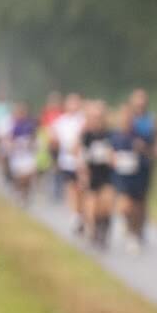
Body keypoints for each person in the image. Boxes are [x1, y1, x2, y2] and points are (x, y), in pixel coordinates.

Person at [111, 105, 151, 250]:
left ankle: (135, 233)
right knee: (125, 206)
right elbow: (109, 153)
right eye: (123, 117)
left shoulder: (140, 136)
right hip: (121, 176)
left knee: (137, 207)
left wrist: (143, 148)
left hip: (138, 175)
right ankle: (127, 229)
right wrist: (112, 158)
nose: (126, 120)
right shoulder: (114, 135)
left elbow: (151, 152)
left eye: (129, 118)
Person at [79, 100, 117, 249]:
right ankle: (94, 230)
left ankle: (104, 232)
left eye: (99, 117)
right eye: (93, 117)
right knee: (93, 209)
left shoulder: (110, 135)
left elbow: (115, 156)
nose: (96, 120)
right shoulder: (86, 136)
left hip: (106, 175)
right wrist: (83, 175)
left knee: (106, 206)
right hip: (91, 175)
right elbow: (80, 156)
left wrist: (111, 157)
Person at [125, 88, 157, 249]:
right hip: (126, 165)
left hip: (144, 164)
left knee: (141, 200)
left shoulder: (152, 120)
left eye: (143, 99)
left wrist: (154, 151)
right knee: (127, 202)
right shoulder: (126, 118)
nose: (140, 102)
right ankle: (130, 229)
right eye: (137, 99)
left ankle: (139, 229)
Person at [53, 94, 87, 229]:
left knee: (81, 188)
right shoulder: (61, 121)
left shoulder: (83, 120)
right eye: (70, 103)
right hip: (66, 161)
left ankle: (81, 212)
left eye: (75, 103)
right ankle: (75, 214)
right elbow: (54, 140)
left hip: (81, 161)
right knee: (71, 188)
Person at [5, 100, 40, 204]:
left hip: (28, 155)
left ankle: (26, 195)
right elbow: (9, 139)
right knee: (20, 177)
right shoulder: (13, 124)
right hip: (18, 155)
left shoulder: (30, 124)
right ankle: (19, 193)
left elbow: (35, 138)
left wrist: (32, 145)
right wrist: (13, 146)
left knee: (28, 177)